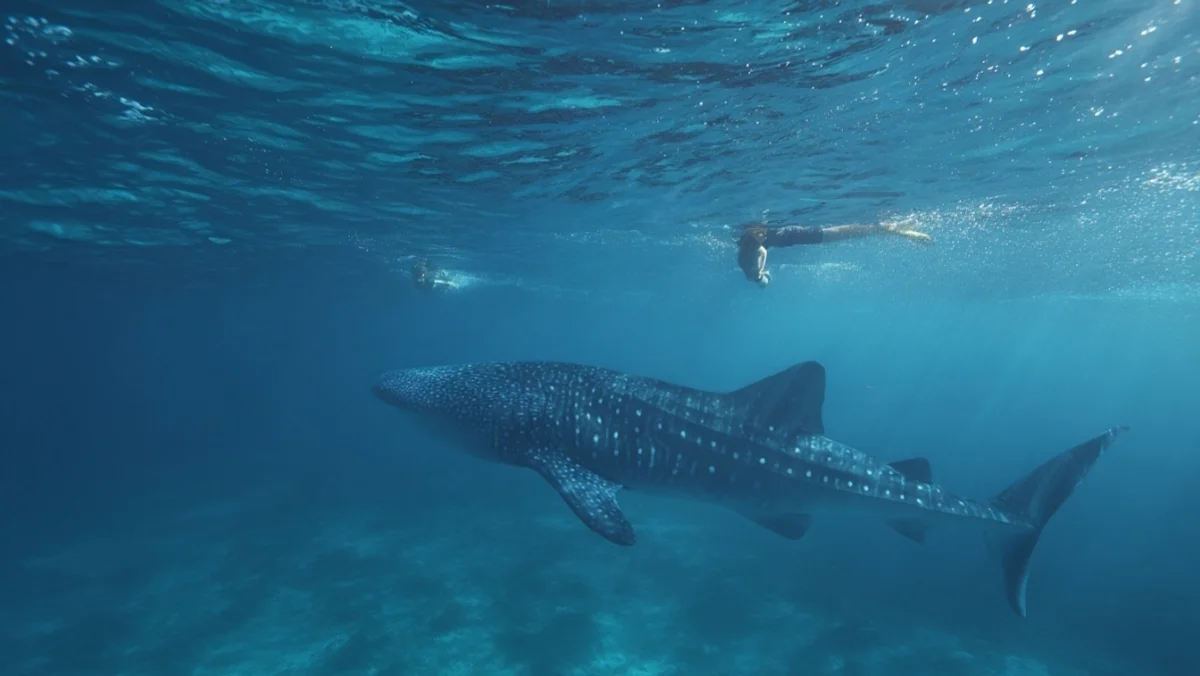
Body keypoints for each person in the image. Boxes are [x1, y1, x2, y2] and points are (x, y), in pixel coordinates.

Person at [736, 221, 933, 286]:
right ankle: (886, 228)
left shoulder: (746, 259)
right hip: (794, 235)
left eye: (758, 234)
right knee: (840, 234)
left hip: (794, 235)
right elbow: (760, 250)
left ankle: (887, 228)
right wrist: (761, 273)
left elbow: (760, 251)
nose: (760, 237)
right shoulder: (749, 252)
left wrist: (761, 273)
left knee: (840, 234)